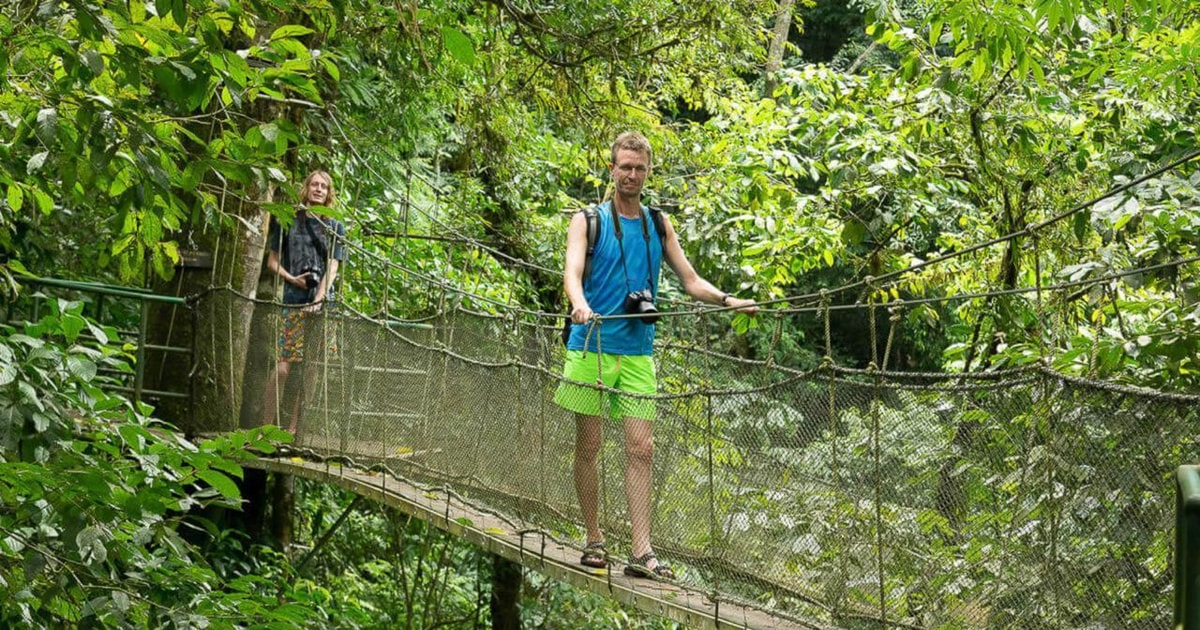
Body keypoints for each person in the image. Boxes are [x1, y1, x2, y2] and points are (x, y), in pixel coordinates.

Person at [554, 132, 758, 579]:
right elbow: (571, 271)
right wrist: (579, 303)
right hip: (592, 345)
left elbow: (690, 279)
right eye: (624, 166)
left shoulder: (657, 224)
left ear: (648, 172)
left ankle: (642, 552)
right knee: (588, 446)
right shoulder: (587, 220)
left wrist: (729, 301)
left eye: (639, 168)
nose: (631, 175)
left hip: (638, 352)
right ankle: (594, 538)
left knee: (641, 448)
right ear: (612, 169)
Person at [261, 170, 347, 433]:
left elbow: (333, 267)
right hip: (294, 300)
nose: (318, 189)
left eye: (323, 186)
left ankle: (294, 428)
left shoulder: (335, 226)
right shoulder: (288, 221)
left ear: (328, 192)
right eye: (314, 184)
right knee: (284, 369)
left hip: (324, 306)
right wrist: (293, 279)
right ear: (306, 188)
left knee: (311, 368)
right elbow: (272, 261)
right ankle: (265, 427)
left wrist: (319, 300)